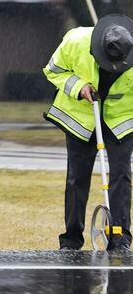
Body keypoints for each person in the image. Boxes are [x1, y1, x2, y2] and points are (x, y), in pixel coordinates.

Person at [43, 14, 133, 251]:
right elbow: (53, 71)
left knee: (121, 175)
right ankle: (71, 239)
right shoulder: (75, 41)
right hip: (82, 118)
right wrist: (79, 87)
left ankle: (120, 237)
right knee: (77, 177)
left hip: (120, 121)